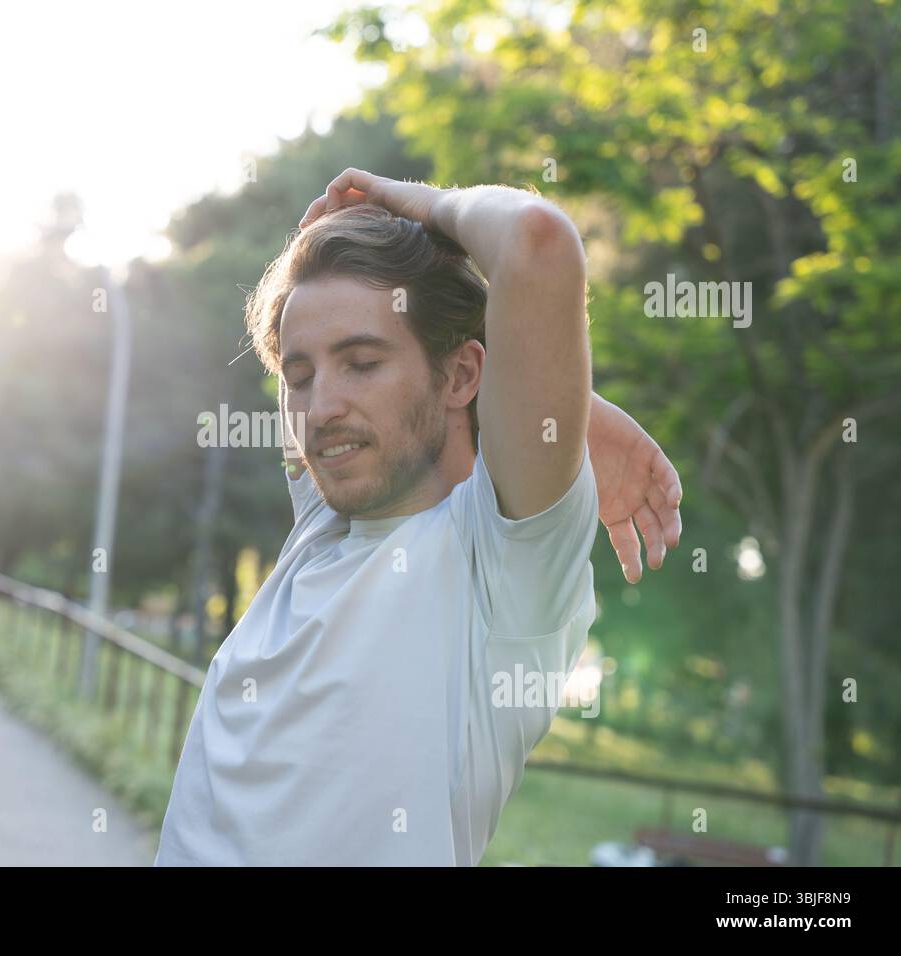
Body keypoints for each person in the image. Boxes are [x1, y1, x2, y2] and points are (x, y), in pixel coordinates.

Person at [154, 170, 683, 866]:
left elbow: (536, 242)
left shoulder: (499, 559)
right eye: (302, 376)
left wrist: (422, 204)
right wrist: (581, 409)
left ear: (464, 376)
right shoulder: (321, 519)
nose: (321, 408)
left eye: (363, 362)